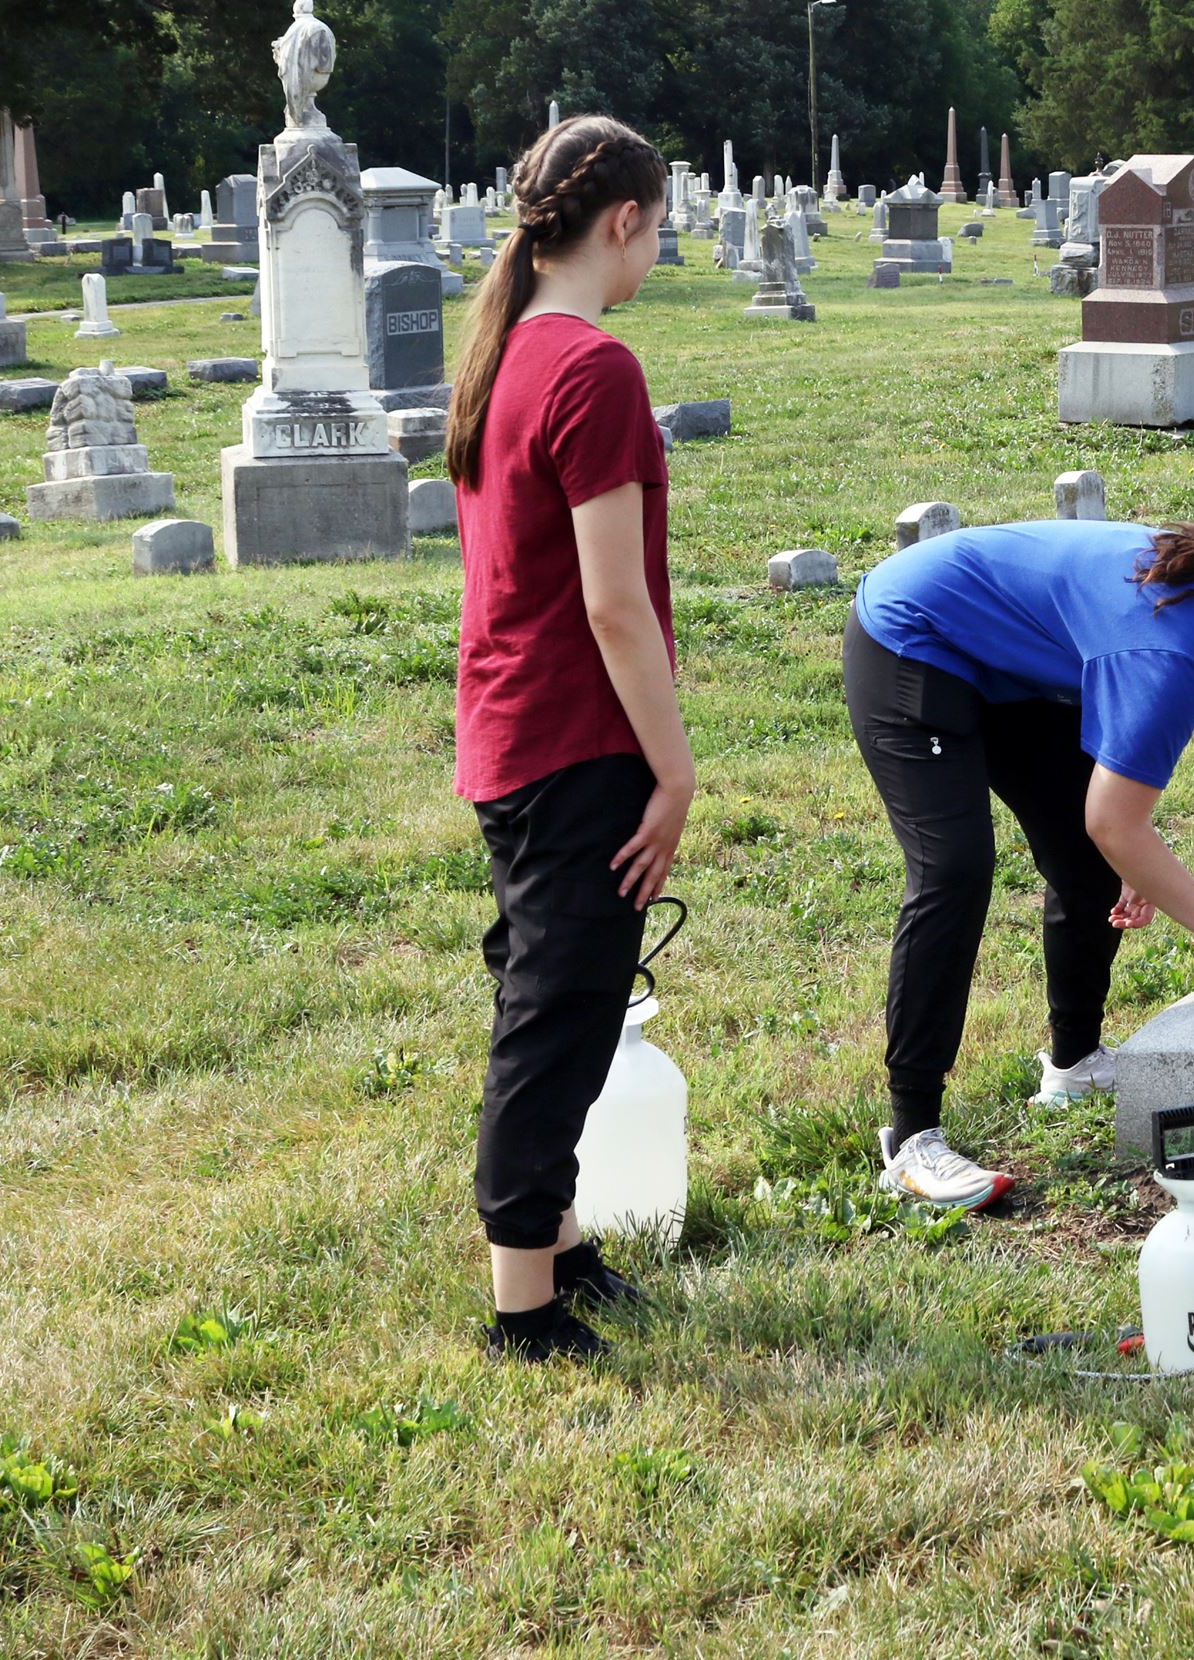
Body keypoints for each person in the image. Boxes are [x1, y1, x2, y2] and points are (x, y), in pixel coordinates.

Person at [848, 516, 1194, 1207]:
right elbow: (1114, 821)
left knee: (1089, 866)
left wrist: (1129, 856)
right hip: (914, 636)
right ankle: (911, 1139)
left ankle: (1074, 1061)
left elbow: (1114, 824)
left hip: (1011, 663)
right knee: (954, 868)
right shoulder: (1176, 650)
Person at [443, 116, 684, 1363]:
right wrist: (675, 765)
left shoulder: (505, 351)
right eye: (661, 224)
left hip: (506, 725)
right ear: (622, 220)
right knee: (558, 1015)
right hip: (574, 737)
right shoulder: (593, 368)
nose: (660, 247)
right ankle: (519, 1309)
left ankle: (562, 1245)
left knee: (559, 998)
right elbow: (609, 602)